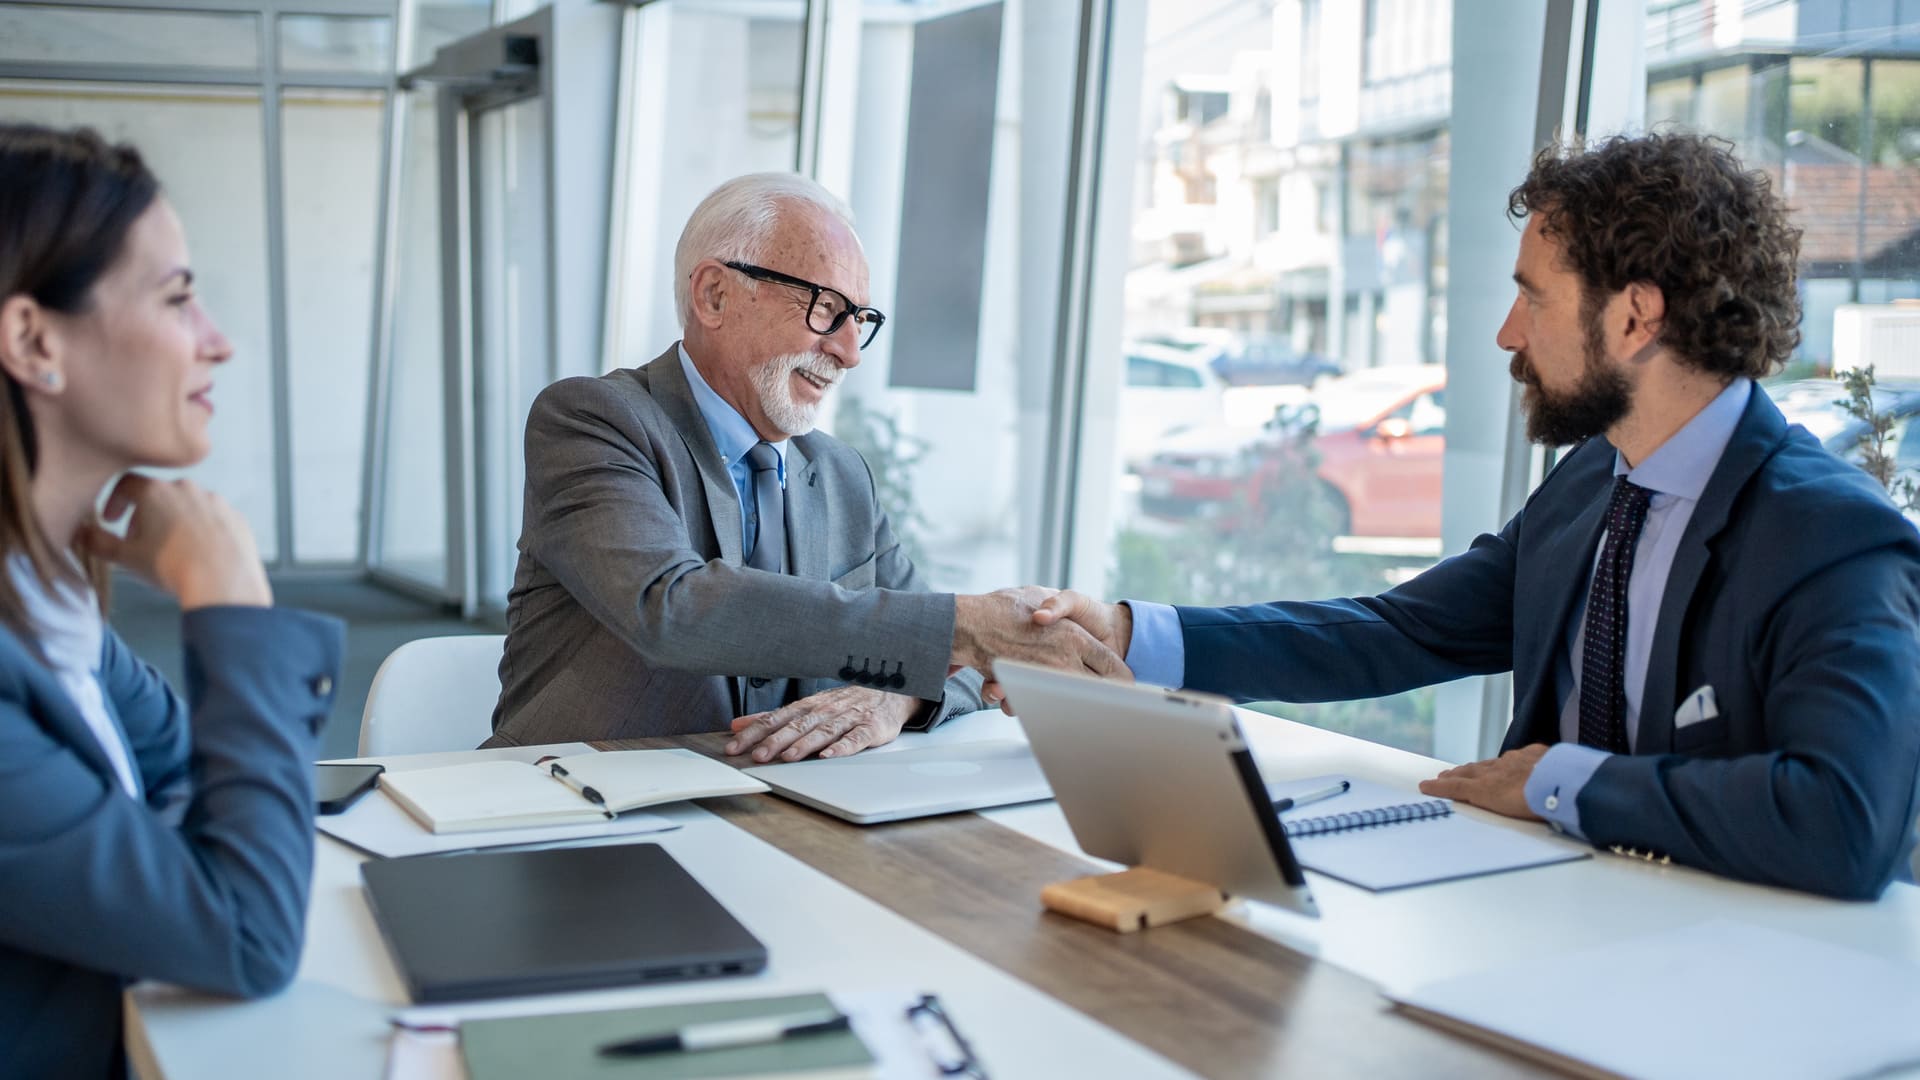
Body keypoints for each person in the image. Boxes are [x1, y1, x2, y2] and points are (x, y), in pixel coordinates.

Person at [1012, 133, 1920, 901]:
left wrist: (1564, 781)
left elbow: (1843, 820)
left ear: (1637, 316)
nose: (1508, 334)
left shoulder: (1832, 538)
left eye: (1534, 295)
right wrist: (1129, 634)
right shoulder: (1595, 480)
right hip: (1529, 913)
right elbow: (1395, 632)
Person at [489, 173, 1123, 761]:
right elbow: (671, 607)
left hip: (776, 825)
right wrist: (959, 630)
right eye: (826, 308)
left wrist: (897, 692)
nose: (849, 352)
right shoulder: (593, 419)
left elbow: (949, 655)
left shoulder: (844, 476)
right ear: (714, 295)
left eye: (862, 321)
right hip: (570, 816)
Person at [0, 124, 344, 1077]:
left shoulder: (46, 596)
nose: (218, 342)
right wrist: (229, 601)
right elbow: (247, 934)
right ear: (33, 340)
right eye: (179, 298)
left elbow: (191, 772)